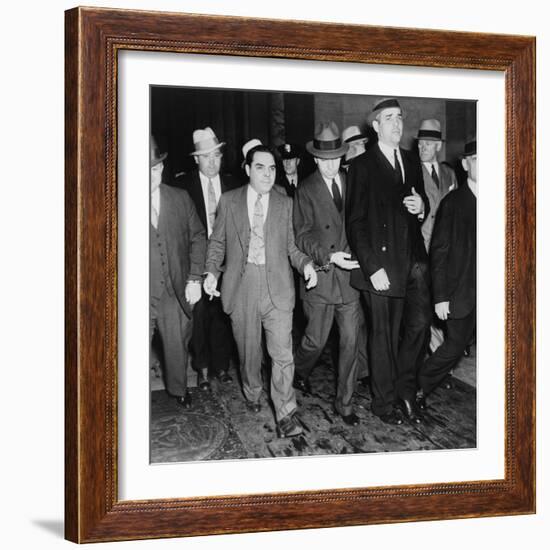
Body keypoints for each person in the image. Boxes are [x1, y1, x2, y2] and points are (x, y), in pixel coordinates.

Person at [203, 144, 318, 437]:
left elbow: (291, 247)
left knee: (282, 353)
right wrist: (212, 273)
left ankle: (286, 412)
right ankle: (252, 391)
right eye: (260, 167)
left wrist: (305, 265)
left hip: (277, 286)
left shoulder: (285, 204)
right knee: (249, 352)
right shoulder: (229, 202)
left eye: (272, 169)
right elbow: (217, 243)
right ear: (247, 169)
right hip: (241, 287)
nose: (267, 174)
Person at [348, 98, 431, 425]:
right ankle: (383, 404)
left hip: (412, 261)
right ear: (376, 126)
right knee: (383, 335)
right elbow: (355, 223)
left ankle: (404, 389)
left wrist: (421, 206)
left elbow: (419, 206)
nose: (397, 123)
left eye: (400, 117)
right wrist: (372, 268)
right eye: (389, 118)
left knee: (420, 326)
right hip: (381, 267)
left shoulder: (411, 161)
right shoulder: (362, 166)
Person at [292, 122, 363, 426]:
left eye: (337, 157)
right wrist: (328, 255)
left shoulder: (353, 181)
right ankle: (297, 371)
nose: (332, 164)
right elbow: (302, 234)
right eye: (326, 159)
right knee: (314, 342)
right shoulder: (306, 189)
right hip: (321, 278)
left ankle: (345, 403)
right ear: (317, 160)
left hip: (349, 282)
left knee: (350, 342)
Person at [416, 140, 477, 408]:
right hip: (460, 292)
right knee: (453, 347)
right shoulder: (453, 203)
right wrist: (440, 297)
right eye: (476, 160)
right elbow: (438, 253)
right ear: (465, 165)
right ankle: (418, 386)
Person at [179, 127, 238, 390]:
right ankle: (202, 368)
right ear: (196, 159)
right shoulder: (183, 187)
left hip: (228, 261)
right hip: (198, 262)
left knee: (223, 313)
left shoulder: (234, 185)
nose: (212, 162)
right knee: (200, 315)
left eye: (216, 155)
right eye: (206, 157)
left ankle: (222, 366)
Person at [150, 136, 206, 409]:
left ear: (161, 168)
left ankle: (179, 389)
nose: (149, 176)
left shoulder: (180, 199)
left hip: (173, 290)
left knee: (175, 346)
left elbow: (198, 237)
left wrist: (195, 278)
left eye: (154, 169)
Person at [417, 119, 458, 357]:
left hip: (446, 249)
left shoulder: (449, 173)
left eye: (428, 143)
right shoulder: (412, 171)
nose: (423, 147)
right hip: (423, 247)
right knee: (425, 304)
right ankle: (436, 355)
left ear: (438, 146)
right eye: (421, 143)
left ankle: (442, 352)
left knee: (442, 301)